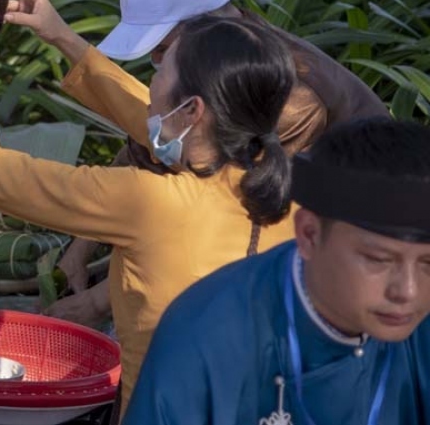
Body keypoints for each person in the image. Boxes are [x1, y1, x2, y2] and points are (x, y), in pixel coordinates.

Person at [0, 0, 302, 412]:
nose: (150, 86)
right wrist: (61, 36)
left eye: (160, 68)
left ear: (192, 111)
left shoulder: (148, 201)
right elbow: (151, 113)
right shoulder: (282, 187)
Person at [25, 0, 388, 327]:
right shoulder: (223, 46)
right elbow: (147, 149)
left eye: (162, 50)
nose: (156, 66)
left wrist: (100, 302)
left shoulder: (288, 99)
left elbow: (222, 215)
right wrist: (77, 253)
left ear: (198, 29)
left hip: (352, 245)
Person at [125, 117, 430, 424]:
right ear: (309, 234)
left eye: (428, 264)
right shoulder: (206, 336)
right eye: (378, 259)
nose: (407, 292)